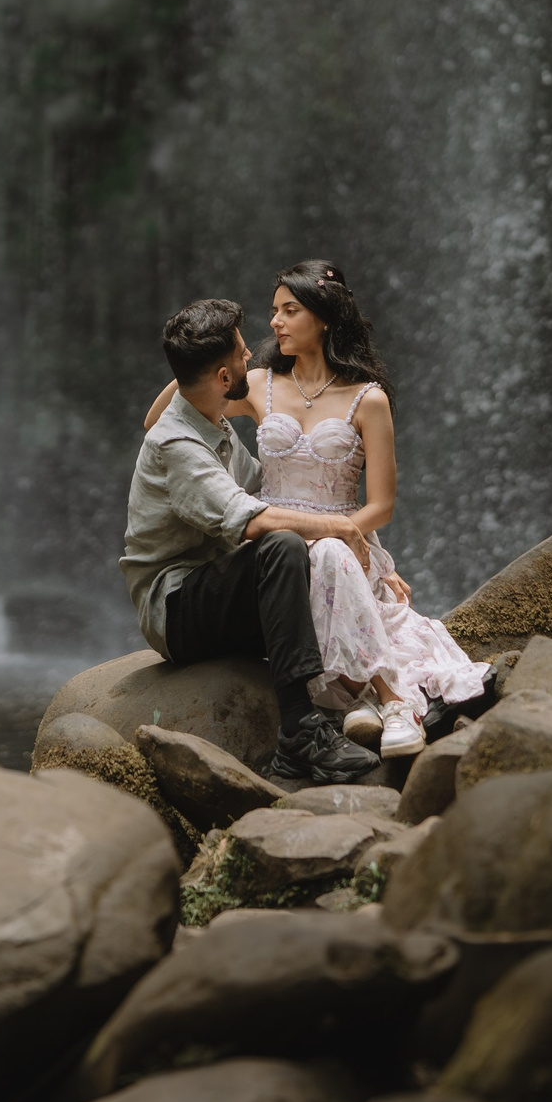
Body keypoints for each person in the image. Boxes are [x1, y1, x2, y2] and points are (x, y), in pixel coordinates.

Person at [142, 260, 490, 757]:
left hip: (342, 538)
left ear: (323, 317)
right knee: (319, 550)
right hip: (276, 546)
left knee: (329, 552)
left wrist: (344, 533)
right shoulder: (259, 384)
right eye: (273, 312)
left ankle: (380, 701)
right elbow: (158, 420)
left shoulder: (368, 400)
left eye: (290, 310)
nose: (274, 323)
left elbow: (382, 506)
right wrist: (198, 366)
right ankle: (388, 700)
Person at [119, 297, 381, 784]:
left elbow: (270, 488)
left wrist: (361, 544)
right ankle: (299, 736)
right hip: (176, 607)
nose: (253, 359)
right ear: (223, 378)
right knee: (282, 546)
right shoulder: (177, 444)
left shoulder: (211, 418)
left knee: (317, 556)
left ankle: (378, 699)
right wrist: (343, 527)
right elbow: (254, 519)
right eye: (242, 354)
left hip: (219, 587)